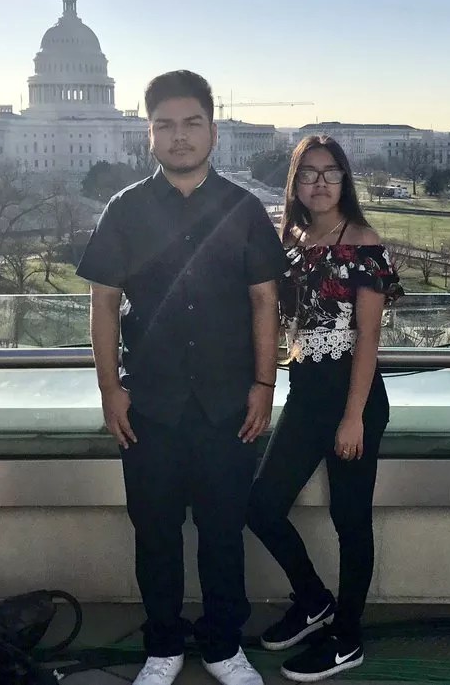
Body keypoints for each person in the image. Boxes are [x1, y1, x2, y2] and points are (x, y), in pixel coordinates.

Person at [77, 70, 286, 685]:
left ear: (213, 131)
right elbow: (103, 303)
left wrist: (264, 385)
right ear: (149, 134)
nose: (180, 136)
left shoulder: (243, 208)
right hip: (150, 405)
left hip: (228, 404)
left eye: (192, 123)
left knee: (223, 533)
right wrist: (110, 389)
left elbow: (265, 301)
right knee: (156, 535)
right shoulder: (126, 209)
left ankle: (223, 646)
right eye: (165, 124)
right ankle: (163, 646)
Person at [246, 135, 403, 682]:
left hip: (352, 395)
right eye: (308, 173)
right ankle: (314, 601)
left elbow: (368, 338)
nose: (319, 183)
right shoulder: (288, 239)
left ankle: (347, 638)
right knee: (261, 505)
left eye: (330, 172)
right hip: (307, 390)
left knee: (350, 519)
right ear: (294, 183)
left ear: (345, 180)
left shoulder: (363, 242)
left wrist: (353, 416)